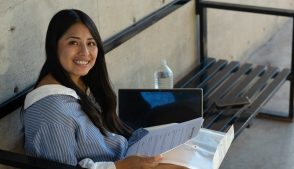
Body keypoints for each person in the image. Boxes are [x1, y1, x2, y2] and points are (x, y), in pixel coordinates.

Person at [21, 9, 188, 169]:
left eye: (91, 43)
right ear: (53, 46)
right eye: (73, 42)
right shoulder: (51, 112)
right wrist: (123, 166)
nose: (85, 52)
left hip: (129, 155)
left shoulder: (80, 84)